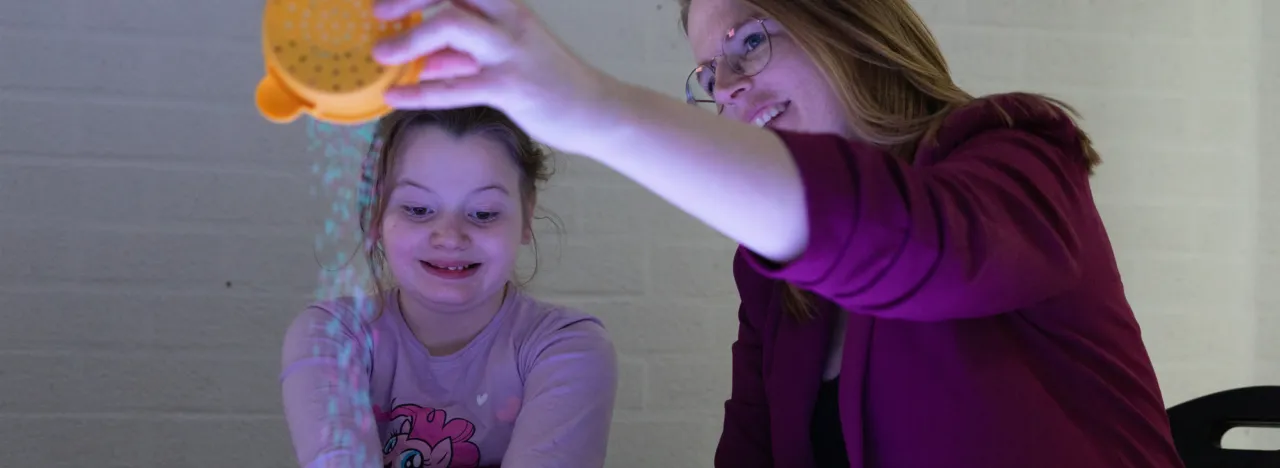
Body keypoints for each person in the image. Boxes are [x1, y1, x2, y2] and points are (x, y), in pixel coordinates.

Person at [369, 0, 1186, 467]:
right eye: (709, 73)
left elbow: (922, 247)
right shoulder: (771, 280)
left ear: (845, 23)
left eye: (747, 42)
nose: (726, 87)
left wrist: (593, 109)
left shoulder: (1019, 152)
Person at [280, 106, 618, 468]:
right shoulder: (332, 336)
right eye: (418, 209)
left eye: (483, 213)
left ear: (526, 215)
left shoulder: (565, 348)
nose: (450, 237)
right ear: (376, 211)